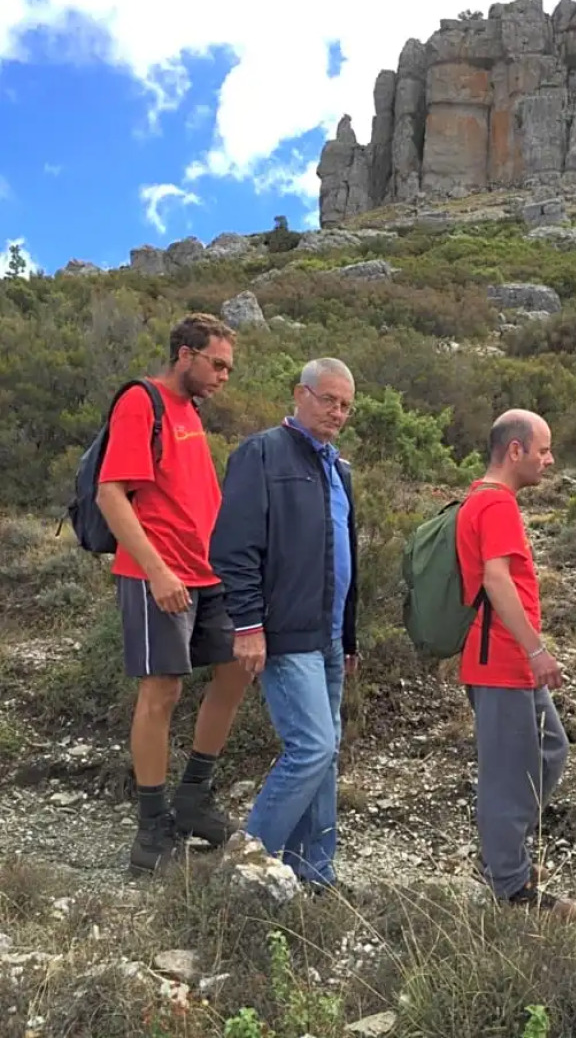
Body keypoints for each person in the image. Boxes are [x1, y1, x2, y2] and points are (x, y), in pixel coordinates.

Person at [96, 313, 252, 876]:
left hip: (207, 573)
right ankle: (150, 831)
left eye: (229, 368)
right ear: (185, 354)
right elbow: (111, 494)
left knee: (237, 667)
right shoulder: (143, 401)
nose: (223, 376)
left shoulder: (191, 410)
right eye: (217, 364)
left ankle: (193, 796)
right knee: (161, 691)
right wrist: (158, 571)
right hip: (156, 574)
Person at [210, 358, 358, 890]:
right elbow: (233, 548)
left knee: (328, 750)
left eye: (345, 405)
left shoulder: (337, 468)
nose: (337, 412)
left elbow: (346, 557)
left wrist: (350, 635)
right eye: (328, 400)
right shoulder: (262, 453)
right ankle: (245, 870)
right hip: (285, 632)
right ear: (301, 394)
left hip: (329, 636)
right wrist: (248, 624)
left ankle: (314, 873)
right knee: (312, 746)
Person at [455, 409, 576, 919]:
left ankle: (506, 853)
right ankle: (511, 888)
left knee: (549, 751)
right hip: (501, 661)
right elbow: (496, 581)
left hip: (508, 661)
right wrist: (536, 649)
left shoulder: (485, 498)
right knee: (509, 775)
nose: (549, 460)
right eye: (543, 450)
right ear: (515, 451)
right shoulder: (496, 503)